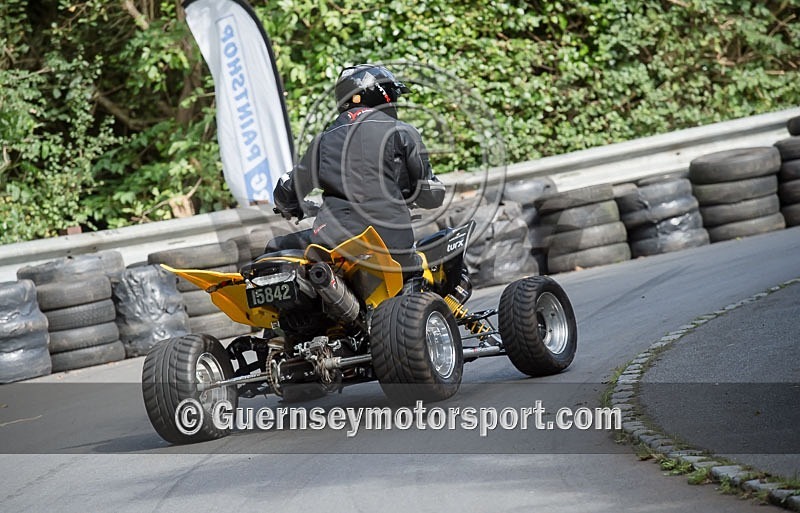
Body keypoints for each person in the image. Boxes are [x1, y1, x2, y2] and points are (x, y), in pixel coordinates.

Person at [267, 64, 445, 272]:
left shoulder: (323, 141)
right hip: (392, 242)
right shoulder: (401, 132)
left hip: (332, 242)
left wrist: (293, 207)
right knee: (424, 270)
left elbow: (286, 189)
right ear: (382, 94)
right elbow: (430, 194)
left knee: (274, 248)